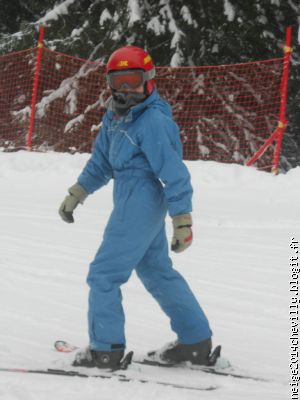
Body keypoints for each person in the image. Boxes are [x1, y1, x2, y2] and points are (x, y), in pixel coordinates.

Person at [59, 45, 213, 369]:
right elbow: (101, 162)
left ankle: (106, 350)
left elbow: (174, 173)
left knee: (103, 274)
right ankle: (195, 340)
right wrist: (78, 192)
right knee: (156, 271)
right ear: (110, 83)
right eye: (119, 82)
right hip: (130, 197)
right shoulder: (114, 116)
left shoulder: (153, 121)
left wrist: (182, 219)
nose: (126, 89)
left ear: (149, 80)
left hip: (141, 200)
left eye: (133, 80)